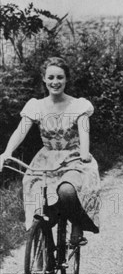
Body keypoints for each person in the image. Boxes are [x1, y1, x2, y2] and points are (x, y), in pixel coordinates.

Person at [0, 57, 100, 244]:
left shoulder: (78, 106)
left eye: (60, 77)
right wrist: (7, 152)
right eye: (51, 77)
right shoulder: (36, 106)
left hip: (73, 158)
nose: (55, 82)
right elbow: (20, 131)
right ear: (44, 79)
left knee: (67, 192)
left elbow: (84, 132)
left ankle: (76, 224)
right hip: (45, 160)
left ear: (66, 79)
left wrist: (84, 154)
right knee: (37, 198)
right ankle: (41, 250)